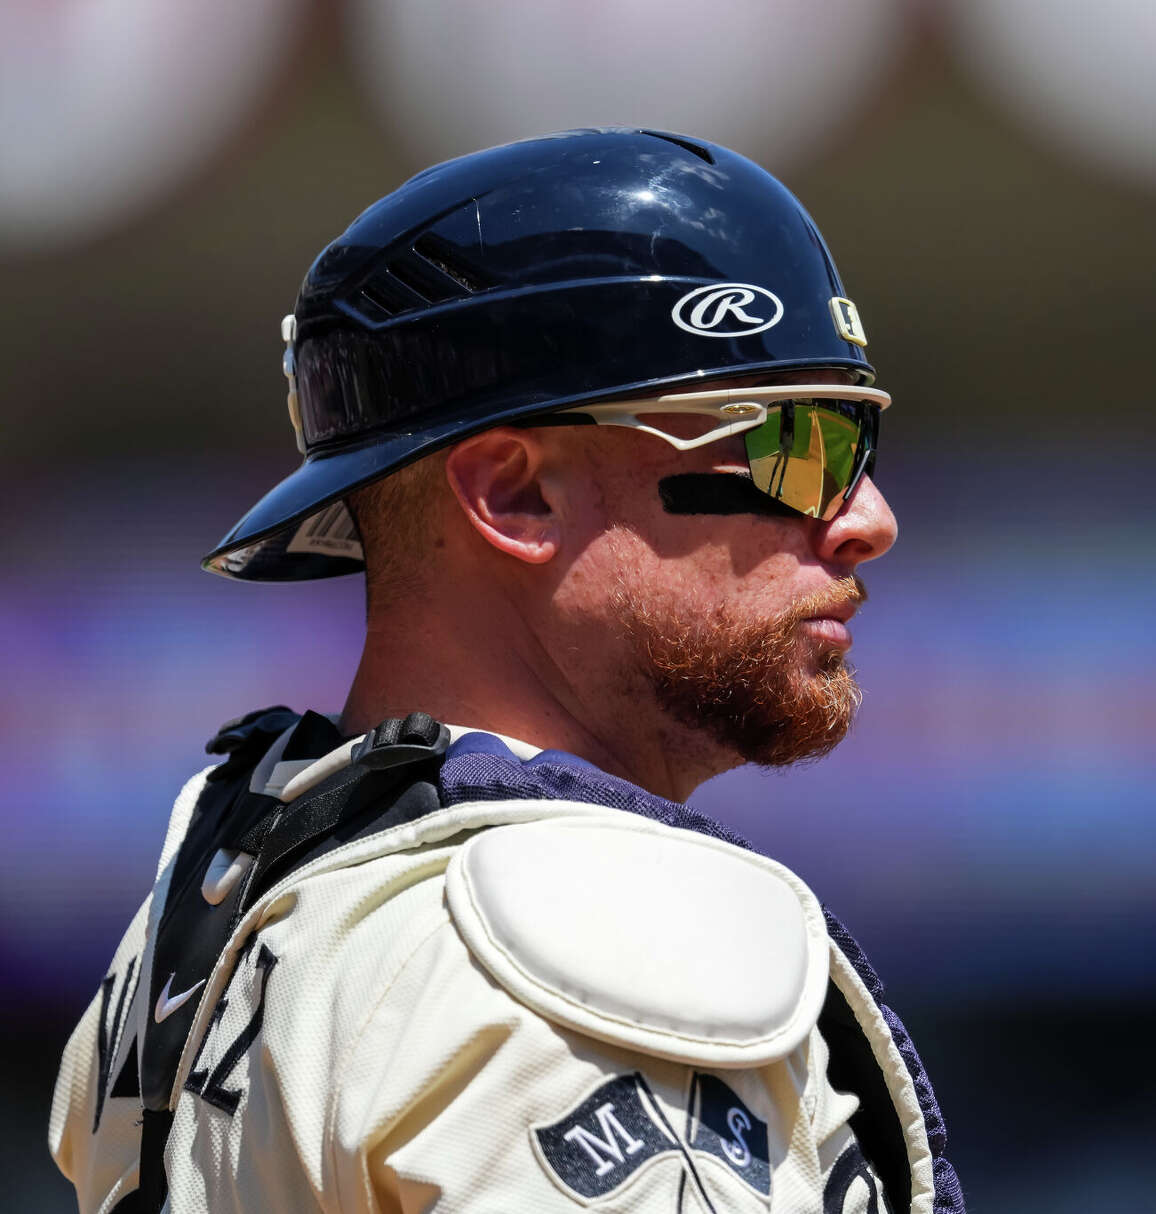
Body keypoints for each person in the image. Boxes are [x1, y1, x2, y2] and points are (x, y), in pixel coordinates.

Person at [48, 128, 963, 1214]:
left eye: (858, 444)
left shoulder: (231, 897)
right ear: (518, 495)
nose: (868, 518)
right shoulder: (569, 936)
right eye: (794, 442)